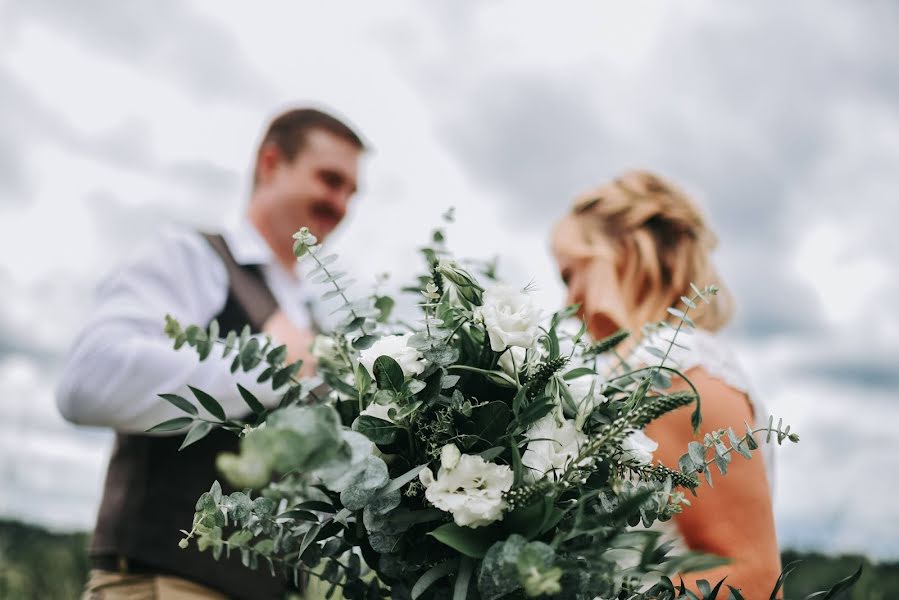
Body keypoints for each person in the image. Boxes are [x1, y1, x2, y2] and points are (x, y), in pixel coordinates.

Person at [56, 107, 366, 599]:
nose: (341, 203)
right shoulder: (191, 257)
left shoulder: (315, 318)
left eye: (352, 191)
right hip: (166, 582)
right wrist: (271, 367)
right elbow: (87, 383)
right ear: (270, 164)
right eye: (329, 180)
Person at [551, 170, 781, 596]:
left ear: (621, 254)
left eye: (570, 275)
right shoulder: (625, 378)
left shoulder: (679, 378)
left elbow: (754, 581)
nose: (567, 302)